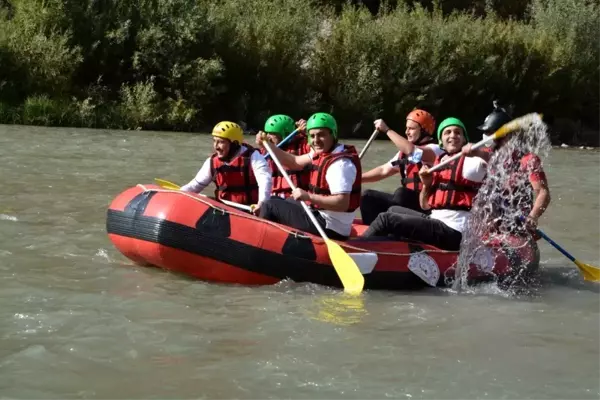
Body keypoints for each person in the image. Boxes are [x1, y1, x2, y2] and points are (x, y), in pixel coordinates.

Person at [361, 117, 487, 251]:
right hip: (437, 220)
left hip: (455, 231)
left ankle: (358, 248)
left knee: (386, 218)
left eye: (457, 132)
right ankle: (387, 247)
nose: (453, 136)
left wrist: (478, 152)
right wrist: (426, 185)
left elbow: (499, 162)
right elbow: (424, 205)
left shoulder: (473, 163)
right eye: (447, 133)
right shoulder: (440, 162)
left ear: (464, 139)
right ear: (441, 141)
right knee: (392, 210)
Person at [256, 112, 361, 240]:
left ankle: (264, 243)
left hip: (330, 227)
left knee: (270, 206)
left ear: (333, 134)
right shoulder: (323, 151)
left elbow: (342, 203)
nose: (316, 140)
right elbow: (294, 162)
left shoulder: (340, 165)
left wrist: (308, 196)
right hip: (322, 216)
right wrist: (268, 146)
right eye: (312, 136)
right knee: (276, 200)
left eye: (321, 135)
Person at [462, 102, 551, 235]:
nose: (485, 136)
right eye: (485, 132)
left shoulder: (528, 160)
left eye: (489, 132)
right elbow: (481, 153)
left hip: (516, 226)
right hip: (490, 225)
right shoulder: (490, 154)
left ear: (506, 135)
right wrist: (469, 149)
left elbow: (543, 193)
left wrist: (533, 217)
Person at [359, 109, 444, 224]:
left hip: (426, 206)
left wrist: (387, 130)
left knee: (401, 193)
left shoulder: (435, 149)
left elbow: (413, 152)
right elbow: (383, 170)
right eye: (406, 128)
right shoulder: (403, 154)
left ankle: (396, 233)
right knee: (368, 196)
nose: (407, 132)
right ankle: (374, 234)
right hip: (406, 205)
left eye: (411, 129)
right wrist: (356, 179)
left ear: (424, 130)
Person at [180, 121, 272, 209]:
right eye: (214, 141)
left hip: (249, 210)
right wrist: (177, 193)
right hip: (224, 210)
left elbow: (265, 181)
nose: (216, 147)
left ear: (234, 144)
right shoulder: (211, 162)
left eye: (221, 142)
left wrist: (261, 203)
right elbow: (194, 186)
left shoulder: (253, 157)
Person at [256, 114, 311, 199]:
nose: (268, 137)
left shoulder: (303, 146)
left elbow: (320, 149)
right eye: (267, 133)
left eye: (273, 134)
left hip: (294, 199)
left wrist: (309, 133)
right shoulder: (265, 150)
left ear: (285, 134)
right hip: (272, 198)